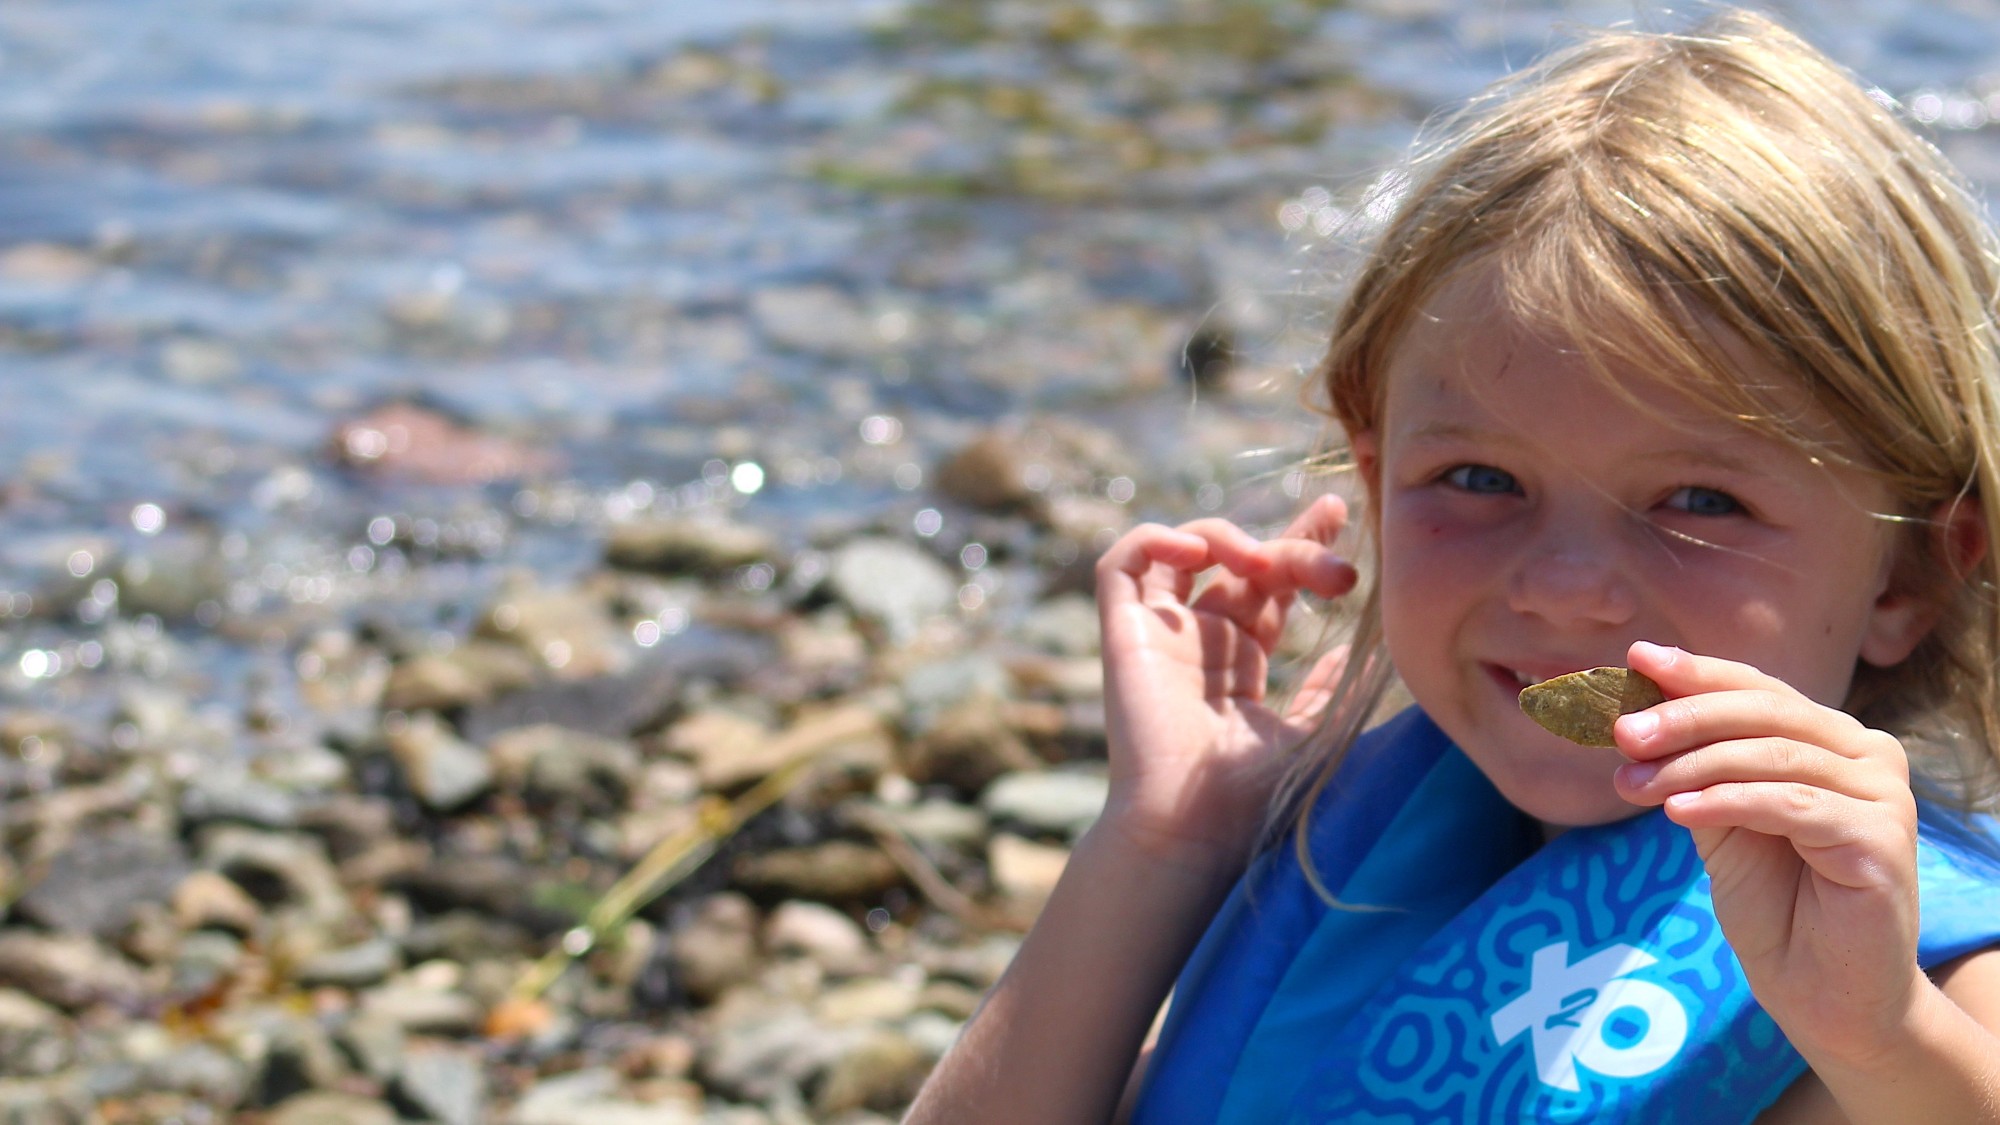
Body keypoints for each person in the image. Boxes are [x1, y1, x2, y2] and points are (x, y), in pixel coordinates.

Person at [903, 9, 2000, 1123]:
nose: (1560, 584)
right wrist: (1168, 835)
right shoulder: (1359, 851)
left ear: (1909, 575)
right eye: (1479, 478)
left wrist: (1879, 1039)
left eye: (1701, 501)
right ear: (1374, 477)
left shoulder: (1918, 988)